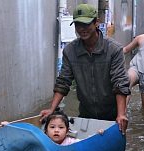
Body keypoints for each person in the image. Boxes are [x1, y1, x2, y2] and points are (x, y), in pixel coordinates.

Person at [40, 4, 130, 135]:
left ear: (96, 23)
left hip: (112, 115)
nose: (82, 29)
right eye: (78, 25)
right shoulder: (70, 51)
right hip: (86, 114)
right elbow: (63, 82)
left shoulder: (114, 50)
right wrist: (52, 109)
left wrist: (121, 114)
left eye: (86, 24)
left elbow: (120, 83)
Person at [1, 108, 104, 145]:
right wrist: (10, 127)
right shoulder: (42, 139)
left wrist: (97, 135)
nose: (56, 130)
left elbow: (85, 142)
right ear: (46, 131)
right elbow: (26, 136)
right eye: (52, 127)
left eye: (61, 127)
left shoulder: (70, 142)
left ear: (67, 131)